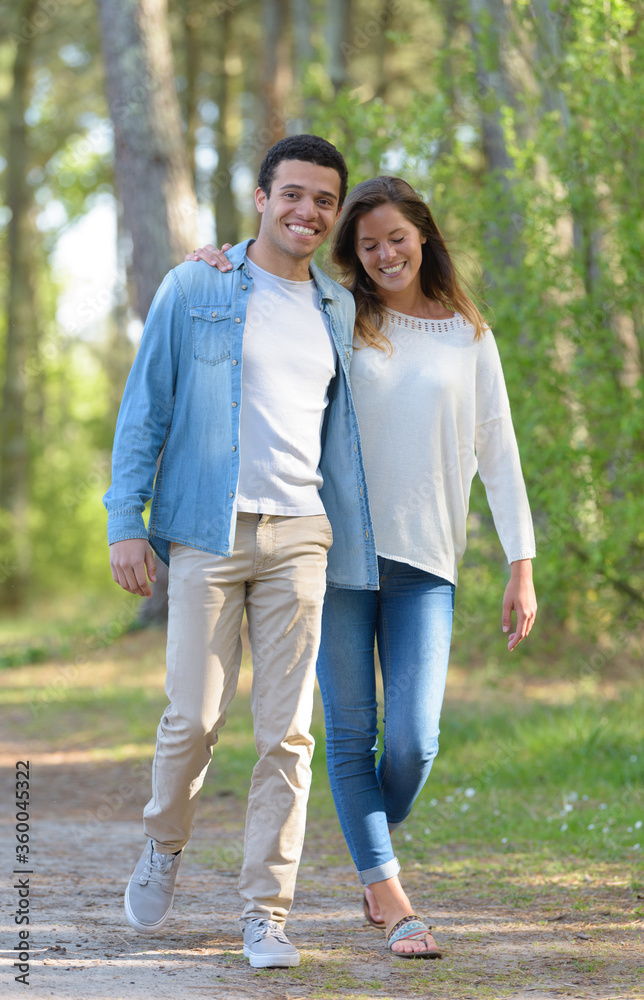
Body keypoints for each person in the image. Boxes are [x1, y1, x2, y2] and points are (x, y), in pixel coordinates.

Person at [189, 175, 537, 959]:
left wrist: (521, 562)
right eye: (369, 243)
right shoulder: (338, 314)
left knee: (414, 742)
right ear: (354, 251)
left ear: (424, 238)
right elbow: (266, 302)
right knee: (350, 738)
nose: (383, 255)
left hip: (427, 562)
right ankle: (389, 894)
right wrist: (215, 260)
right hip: (335, 553)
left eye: (397, 240)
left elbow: (498, 451)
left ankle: (363, 833)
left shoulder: (469, 335)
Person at [103, 134, 378, 969]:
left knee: (287, 735)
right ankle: (164, 844)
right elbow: (145, 407)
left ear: (334, 215)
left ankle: (267, 913)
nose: (307, 211)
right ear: (261, 198)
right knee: (192, 719)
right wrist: (126, 518)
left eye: (324, 200)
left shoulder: (336, 306)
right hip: (205, 533)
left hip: (300, 535)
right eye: (292, 193)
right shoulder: (197, 285)